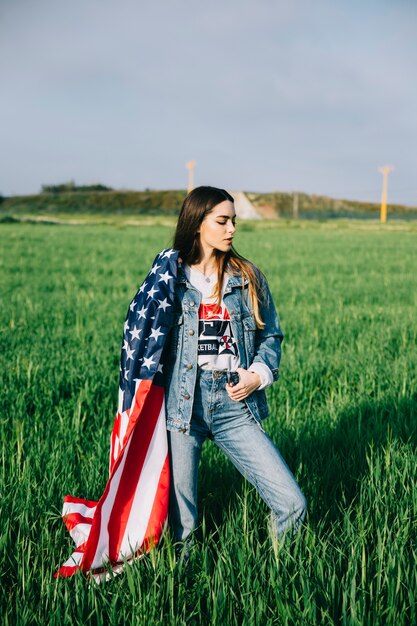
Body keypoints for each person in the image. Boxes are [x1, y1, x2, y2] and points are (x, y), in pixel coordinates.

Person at [163, 186, 306, 549]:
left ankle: (279, 579)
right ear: (197, 224)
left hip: (234, 406)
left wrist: (257, 375)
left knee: (292, 504)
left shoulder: (247, 277)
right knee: (184, 527)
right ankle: (183, 590)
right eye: (222, 221)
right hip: (182, 406)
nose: (231, 230)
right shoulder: (170, 279)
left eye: (233, 221)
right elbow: (147, 343)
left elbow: (270, 336)